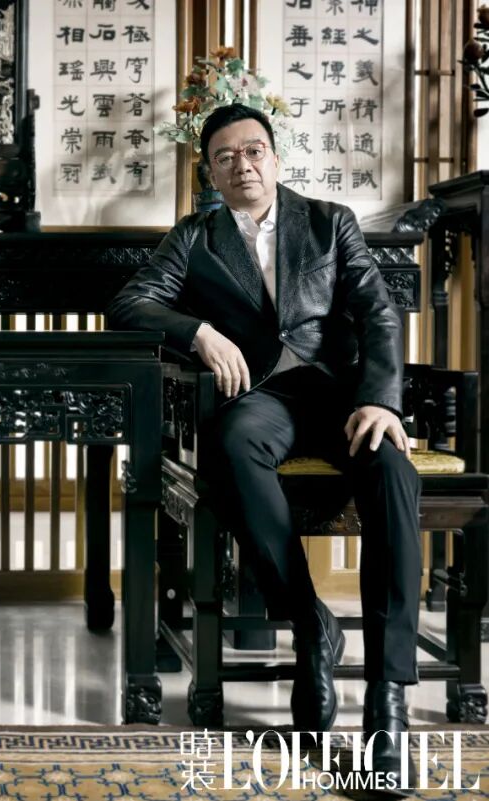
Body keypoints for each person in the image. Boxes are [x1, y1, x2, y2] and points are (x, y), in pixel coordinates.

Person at [107, 104, 419, 792]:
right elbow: (129, 304)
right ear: (210, 173)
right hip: (263, 399)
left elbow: (377, 313)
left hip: (341, 395)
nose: (242, 165)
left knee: (393, 469)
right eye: (225, 157)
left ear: (275, 158)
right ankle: (310, 624)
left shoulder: (330, 221)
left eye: (253, 151)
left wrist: (381, 399)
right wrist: (198, 332)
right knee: (230, 445)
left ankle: (387, 703)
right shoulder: (195, 236)